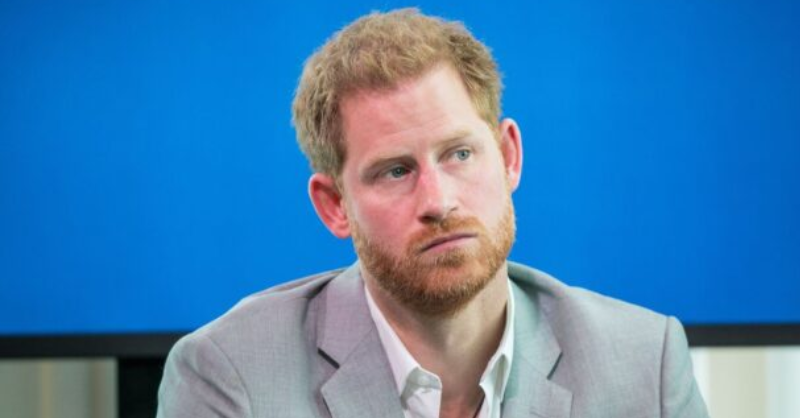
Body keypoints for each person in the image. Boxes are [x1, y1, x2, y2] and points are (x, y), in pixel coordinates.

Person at [157, 8, 709, 418]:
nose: (439, 202)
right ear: (334, 205)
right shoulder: (232, 377)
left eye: (460, 154)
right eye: (395, 171)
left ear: (509, 157)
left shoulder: (644, 364)